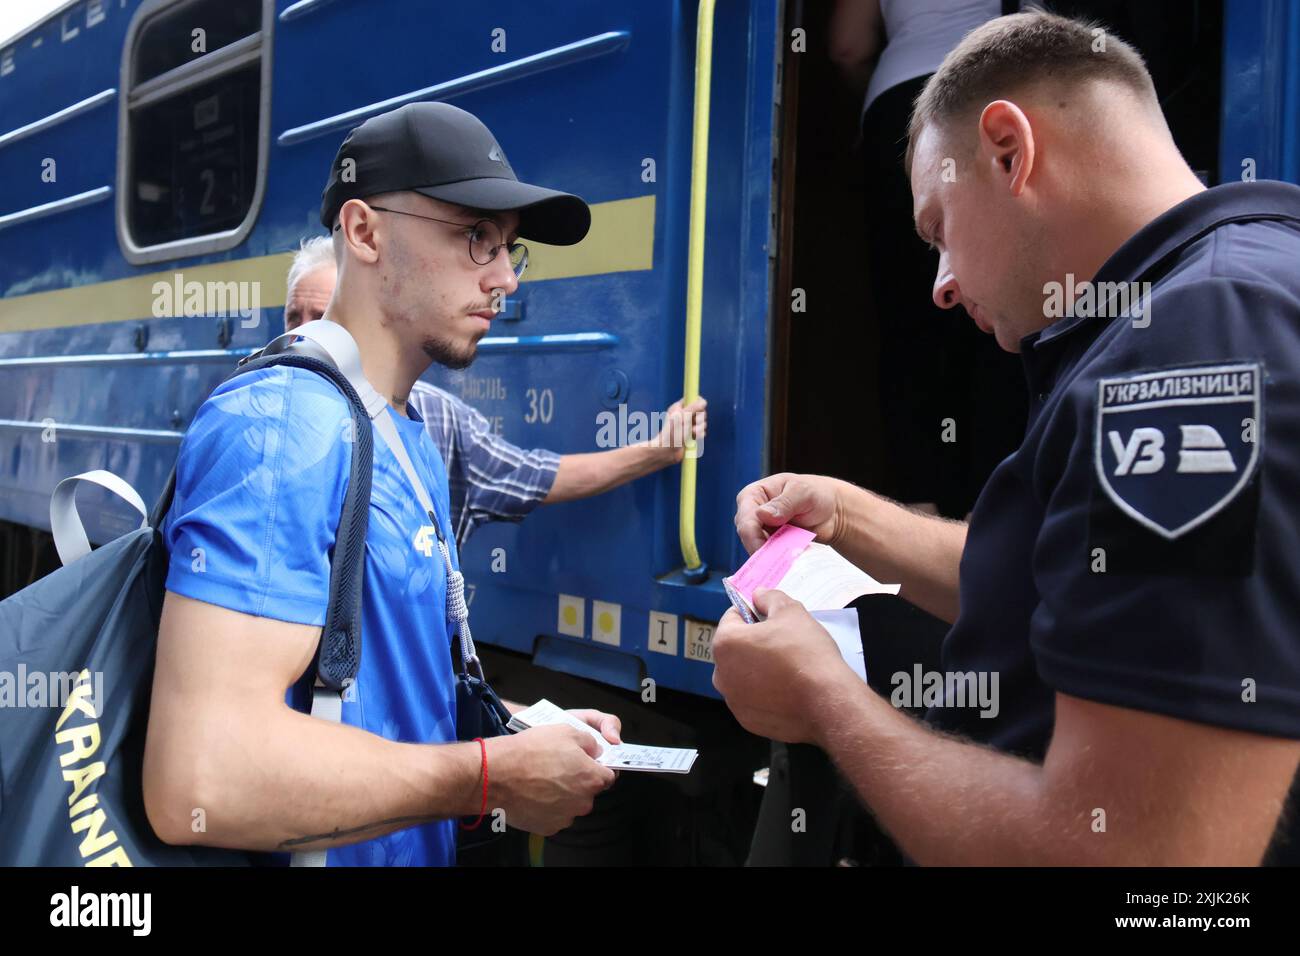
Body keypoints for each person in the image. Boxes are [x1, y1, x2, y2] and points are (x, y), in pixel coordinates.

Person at [713, 11, 1300, 865]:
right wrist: (843, 514)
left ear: (1007, 149)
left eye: (938, 230)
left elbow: (1147, 863)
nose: (943, 286)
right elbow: (1070, 579)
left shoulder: (1192, 341)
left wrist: (827, 701)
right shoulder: (1213, 297)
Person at [143, 102, 624, 866]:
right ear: (365, 233)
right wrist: (489, 777)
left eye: (510, 250)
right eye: (475, 239)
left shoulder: (403, 434)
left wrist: (522, 733)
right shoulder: (280, 426)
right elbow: (202, 781)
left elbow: (386, 701)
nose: (504, 279)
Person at [285, 238, 708, 546]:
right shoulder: (263, 412)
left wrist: (658, 449)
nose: (305, 331)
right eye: (293, 316)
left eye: (321, 314)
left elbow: (535, 476)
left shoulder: (439, 419)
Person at [830, 0, 1025, 518]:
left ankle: (921, 513)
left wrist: (863, 110)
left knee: (909, 326)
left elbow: (847, 45)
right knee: (1001, 319)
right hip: (999, 93)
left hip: (899, 102)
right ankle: (994, 512)